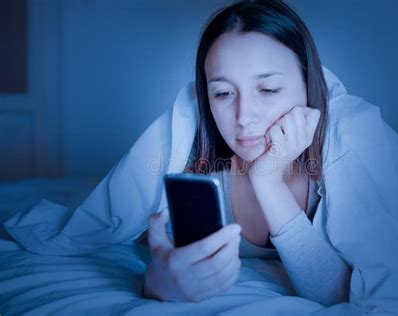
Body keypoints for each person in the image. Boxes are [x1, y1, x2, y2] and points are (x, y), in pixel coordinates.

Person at [142, 0, 352, 304]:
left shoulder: (337, 165)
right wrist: (154, 284)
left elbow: (337, 294)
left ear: (308, 86)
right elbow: (136, 235)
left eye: (267, 90)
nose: (243, 116)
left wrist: (267, 179)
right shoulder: (194, 170)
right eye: (224, 93)